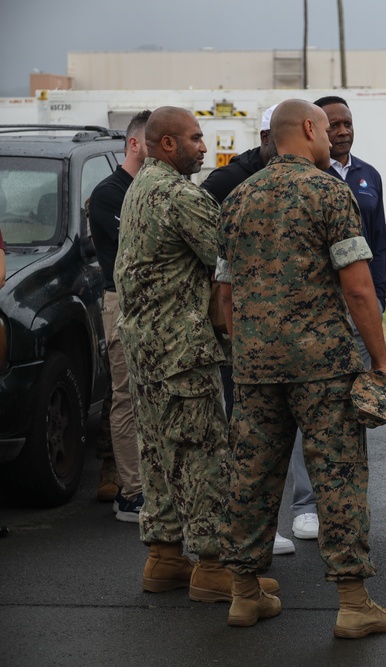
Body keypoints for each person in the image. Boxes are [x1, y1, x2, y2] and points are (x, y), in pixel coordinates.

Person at [218, 99, 386, 637]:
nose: (330, 138)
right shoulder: (329, 192)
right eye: (325, 128)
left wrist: (245, 345)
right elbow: (359, 286)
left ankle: (245, 595)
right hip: (322, 365)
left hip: (254, 367)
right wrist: (381, 361)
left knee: (250, 478)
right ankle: (352, 603)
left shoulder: (238, 197)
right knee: (338, 477)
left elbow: (222, 294)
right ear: (309, 128)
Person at [115, 106, 278, 603]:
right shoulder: (178, 195)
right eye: (196, 138)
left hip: (145, 350)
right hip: (181, 351)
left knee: (160, 454)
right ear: (167, 145)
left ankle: (164, 556)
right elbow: (234, 257)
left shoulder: (140, 186)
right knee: (203, 454)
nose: (205, 147)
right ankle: (211, 566)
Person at [201, 103, 297, 557]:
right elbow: (218, 271)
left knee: (266, 441)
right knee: (249, 440)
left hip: (267, 334)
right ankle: (247, 538)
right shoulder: (226, 185)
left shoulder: (287, 180)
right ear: (265, 139)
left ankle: (249, 549)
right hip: (248, 334)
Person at [88, 110, 150, 523]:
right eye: (156, 138)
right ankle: (131, 493)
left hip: (156, 305)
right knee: (126, 397)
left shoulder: (154, 187)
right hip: (123, 302)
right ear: (134, 144)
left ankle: (153, 486)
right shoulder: (110, 193)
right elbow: (141, 248)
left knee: (152, 397)